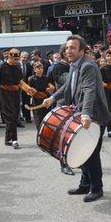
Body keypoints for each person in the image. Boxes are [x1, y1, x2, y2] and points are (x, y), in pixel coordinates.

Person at [43, 35, 111, 203]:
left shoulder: (88, 66)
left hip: (93, 116)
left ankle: (97, 188)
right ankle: (85, 184)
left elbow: (89, 90)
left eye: (72, 48)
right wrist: (53, 98)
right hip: (80, 115)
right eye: (67, 48)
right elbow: (67, 86)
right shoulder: (74, 66)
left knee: (91, 154)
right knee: (82, 152)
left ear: (82, 50)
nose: (68, 51)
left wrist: (86, 114)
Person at [47, 45, 75, 176]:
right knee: (63, 136)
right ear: (64, 53)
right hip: (63, 103)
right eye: (69, 51)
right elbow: (66, 81)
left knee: (75, 135)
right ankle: (63, 164)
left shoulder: (75, 65)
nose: (71, 53)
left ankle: (74, 160)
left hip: (76, 104)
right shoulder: (58, 66)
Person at [0, 49, 30, 149]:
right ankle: (14, 139)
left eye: (17, 59)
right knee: (10, 117)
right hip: (5, 94)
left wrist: (29, 89)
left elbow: (20, 82)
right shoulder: (2, 66)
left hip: (15, 94)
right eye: (14, 59)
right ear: (9, 57)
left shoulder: (17, 67)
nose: (16, 61)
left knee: (14, 116)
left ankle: (7, 139)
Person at [27, 62, 51, 133]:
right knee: (38, 118)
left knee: (46, 117)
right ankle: (40, 133)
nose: (40, 70)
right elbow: (28, 91)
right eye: (38, 68)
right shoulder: (31, 79)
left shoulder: (46, 78)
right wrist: (31, 91)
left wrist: (50, 89)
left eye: (41, 68)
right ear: (34, 70)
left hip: (45, 99)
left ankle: (46, 132)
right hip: (36, 100)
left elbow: (49, 88)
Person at [18, 51, 33, 124]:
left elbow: (30, 75)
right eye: (23, 57)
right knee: (18, 102)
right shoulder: (16, 64)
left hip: (26, 87)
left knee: (26, 102)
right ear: (20, 57)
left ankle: (27, 117)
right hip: (17, 86)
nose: (24, 59)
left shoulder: (28, 65)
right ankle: (19, 118)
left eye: (26, 58)